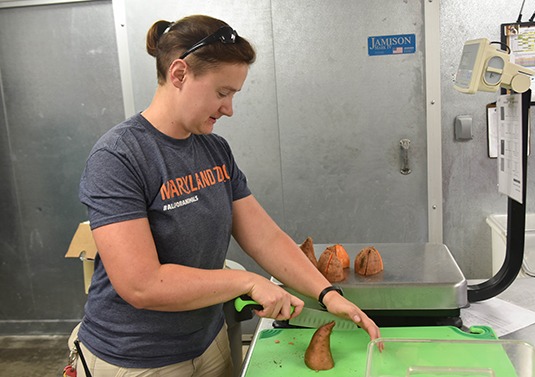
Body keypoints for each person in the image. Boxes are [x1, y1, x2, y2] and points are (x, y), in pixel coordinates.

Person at [69, 14, 380, 377]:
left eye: (234, 94)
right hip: (135, 358)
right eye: (222, 93)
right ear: (180, 74)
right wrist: (247, 281)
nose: (229, 108)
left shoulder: (215, 150)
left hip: (208, 342)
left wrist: (327, 295)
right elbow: (141, 284)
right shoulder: (120, 156)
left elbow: (264, 237)